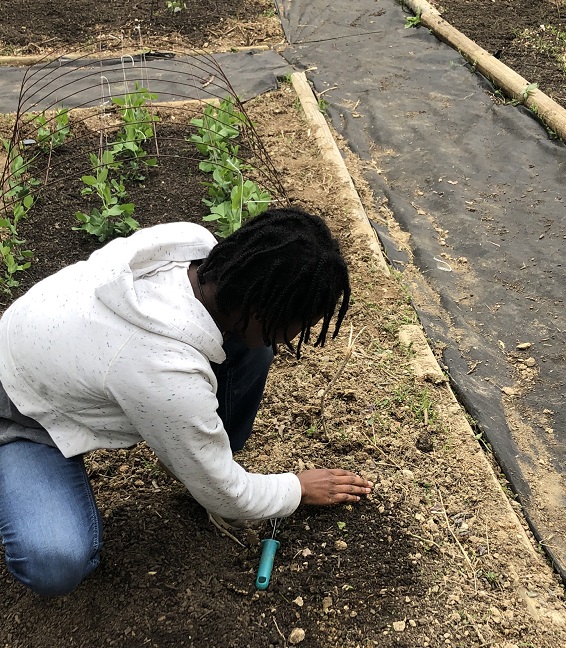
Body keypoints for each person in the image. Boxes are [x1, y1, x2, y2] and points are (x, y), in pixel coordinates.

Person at [0, 207, 372, 598]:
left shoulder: (191, 247)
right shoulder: (165, 370)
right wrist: (296, 488)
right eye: (296, 324)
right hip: (18, 414)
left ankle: (193, 453)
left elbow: (225, 349)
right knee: (55, 561)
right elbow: (226, 492)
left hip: (57, 357)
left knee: (249, 350)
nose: (292, 336)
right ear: (263, 310)